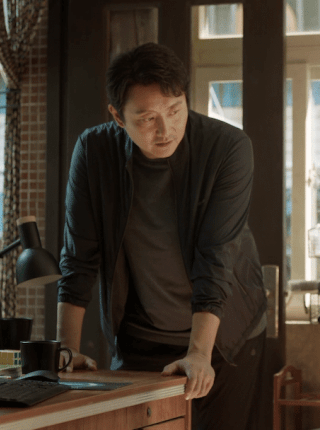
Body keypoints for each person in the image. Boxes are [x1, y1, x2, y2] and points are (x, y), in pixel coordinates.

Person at [56, 42, 267, 430]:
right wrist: (66, 350)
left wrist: (198, 353)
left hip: (225, 334)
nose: (166, 129)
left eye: (174, 110)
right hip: (142, 335)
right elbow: (79, 257)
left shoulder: (227, 148)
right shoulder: (94, 151)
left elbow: (216, 257)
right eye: (147, 118)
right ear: (117, 116)